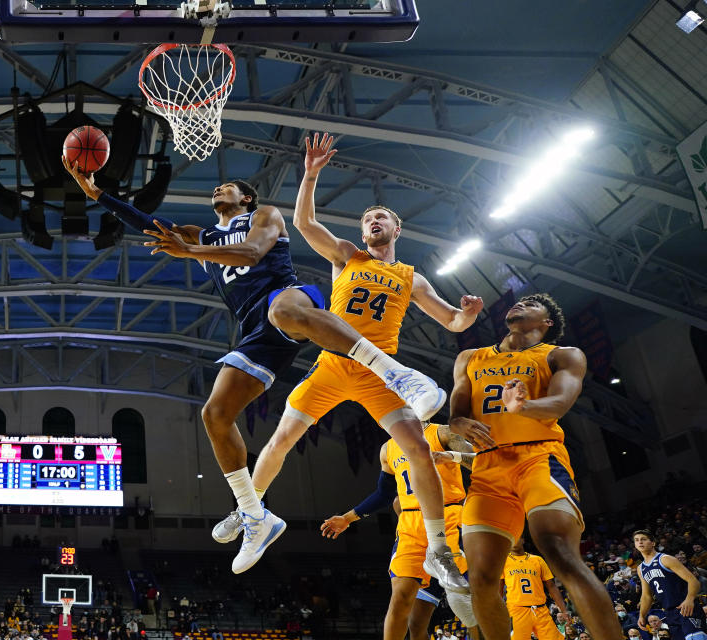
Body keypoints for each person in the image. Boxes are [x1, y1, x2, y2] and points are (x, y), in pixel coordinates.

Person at [65, 148, 450, 575]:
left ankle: (399, 375)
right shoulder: (205, 235)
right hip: (254, 332)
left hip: (290, 299)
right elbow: (149, 224)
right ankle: (255, 516)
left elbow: (250, 255)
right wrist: (97, 192)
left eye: (226, 186)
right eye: (216, 188)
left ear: (245, 199)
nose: (217, 189)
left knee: (283, 310)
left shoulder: (264, 216)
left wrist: (189, 253)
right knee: (215, 415)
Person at [211, 132, 485, 579]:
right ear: (362, 232)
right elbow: (303, 223)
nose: (374, 221)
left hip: (383, 378)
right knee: (281, 439)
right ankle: (250, 513)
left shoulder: (412, 279)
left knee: (418, 448)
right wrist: (310, 175)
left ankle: (439, 549)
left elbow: (452, 323)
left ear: (397, 230)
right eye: (369, 218)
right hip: (335, 366)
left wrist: (467, 313)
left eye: (382, 217)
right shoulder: (347, 256)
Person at [450, 293, 622, 640]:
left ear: (547, 323)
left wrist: (522, 407)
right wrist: (457, 424)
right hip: (487, 468)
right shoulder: (469, 357)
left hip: (538, 457)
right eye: (520, 301)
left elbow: (559, 403)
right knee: (481, 579)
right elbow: (458, 409)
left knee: (556, 548)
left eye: (532, 303)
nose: (521, 303)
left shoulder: (562, 355)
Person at [319, 423, 480, 640]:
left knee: (466, 596)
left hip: (448, 517)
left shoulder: (441, 432)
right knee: (401, 597)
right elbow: (384, 494)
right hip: (410, 524)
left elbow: (483, 461)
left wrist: (451, 456)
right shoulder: (388, 448)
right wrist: (348, 517)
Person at [634, 529, 707, 640]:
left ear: (653, 543)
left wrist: (689, 599)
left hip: (686, 608)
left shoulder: (665, 559)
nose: (640, 542)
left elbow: (693, 581)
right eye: (637, 540)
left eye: (643, 539)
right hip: (670, 613)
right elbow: (646, 596)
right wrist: (642, 615)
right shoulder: (641, 568)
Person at [502, 536, 568, 640]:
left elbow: (551, 586)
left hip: (540, 609)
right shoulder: (503, 561)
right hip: (517, 611)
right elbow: (498, 591)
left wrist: (564, 610)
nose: (513, 541)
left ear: (523, 539)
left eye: (516, 537)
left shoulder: (537, 560)